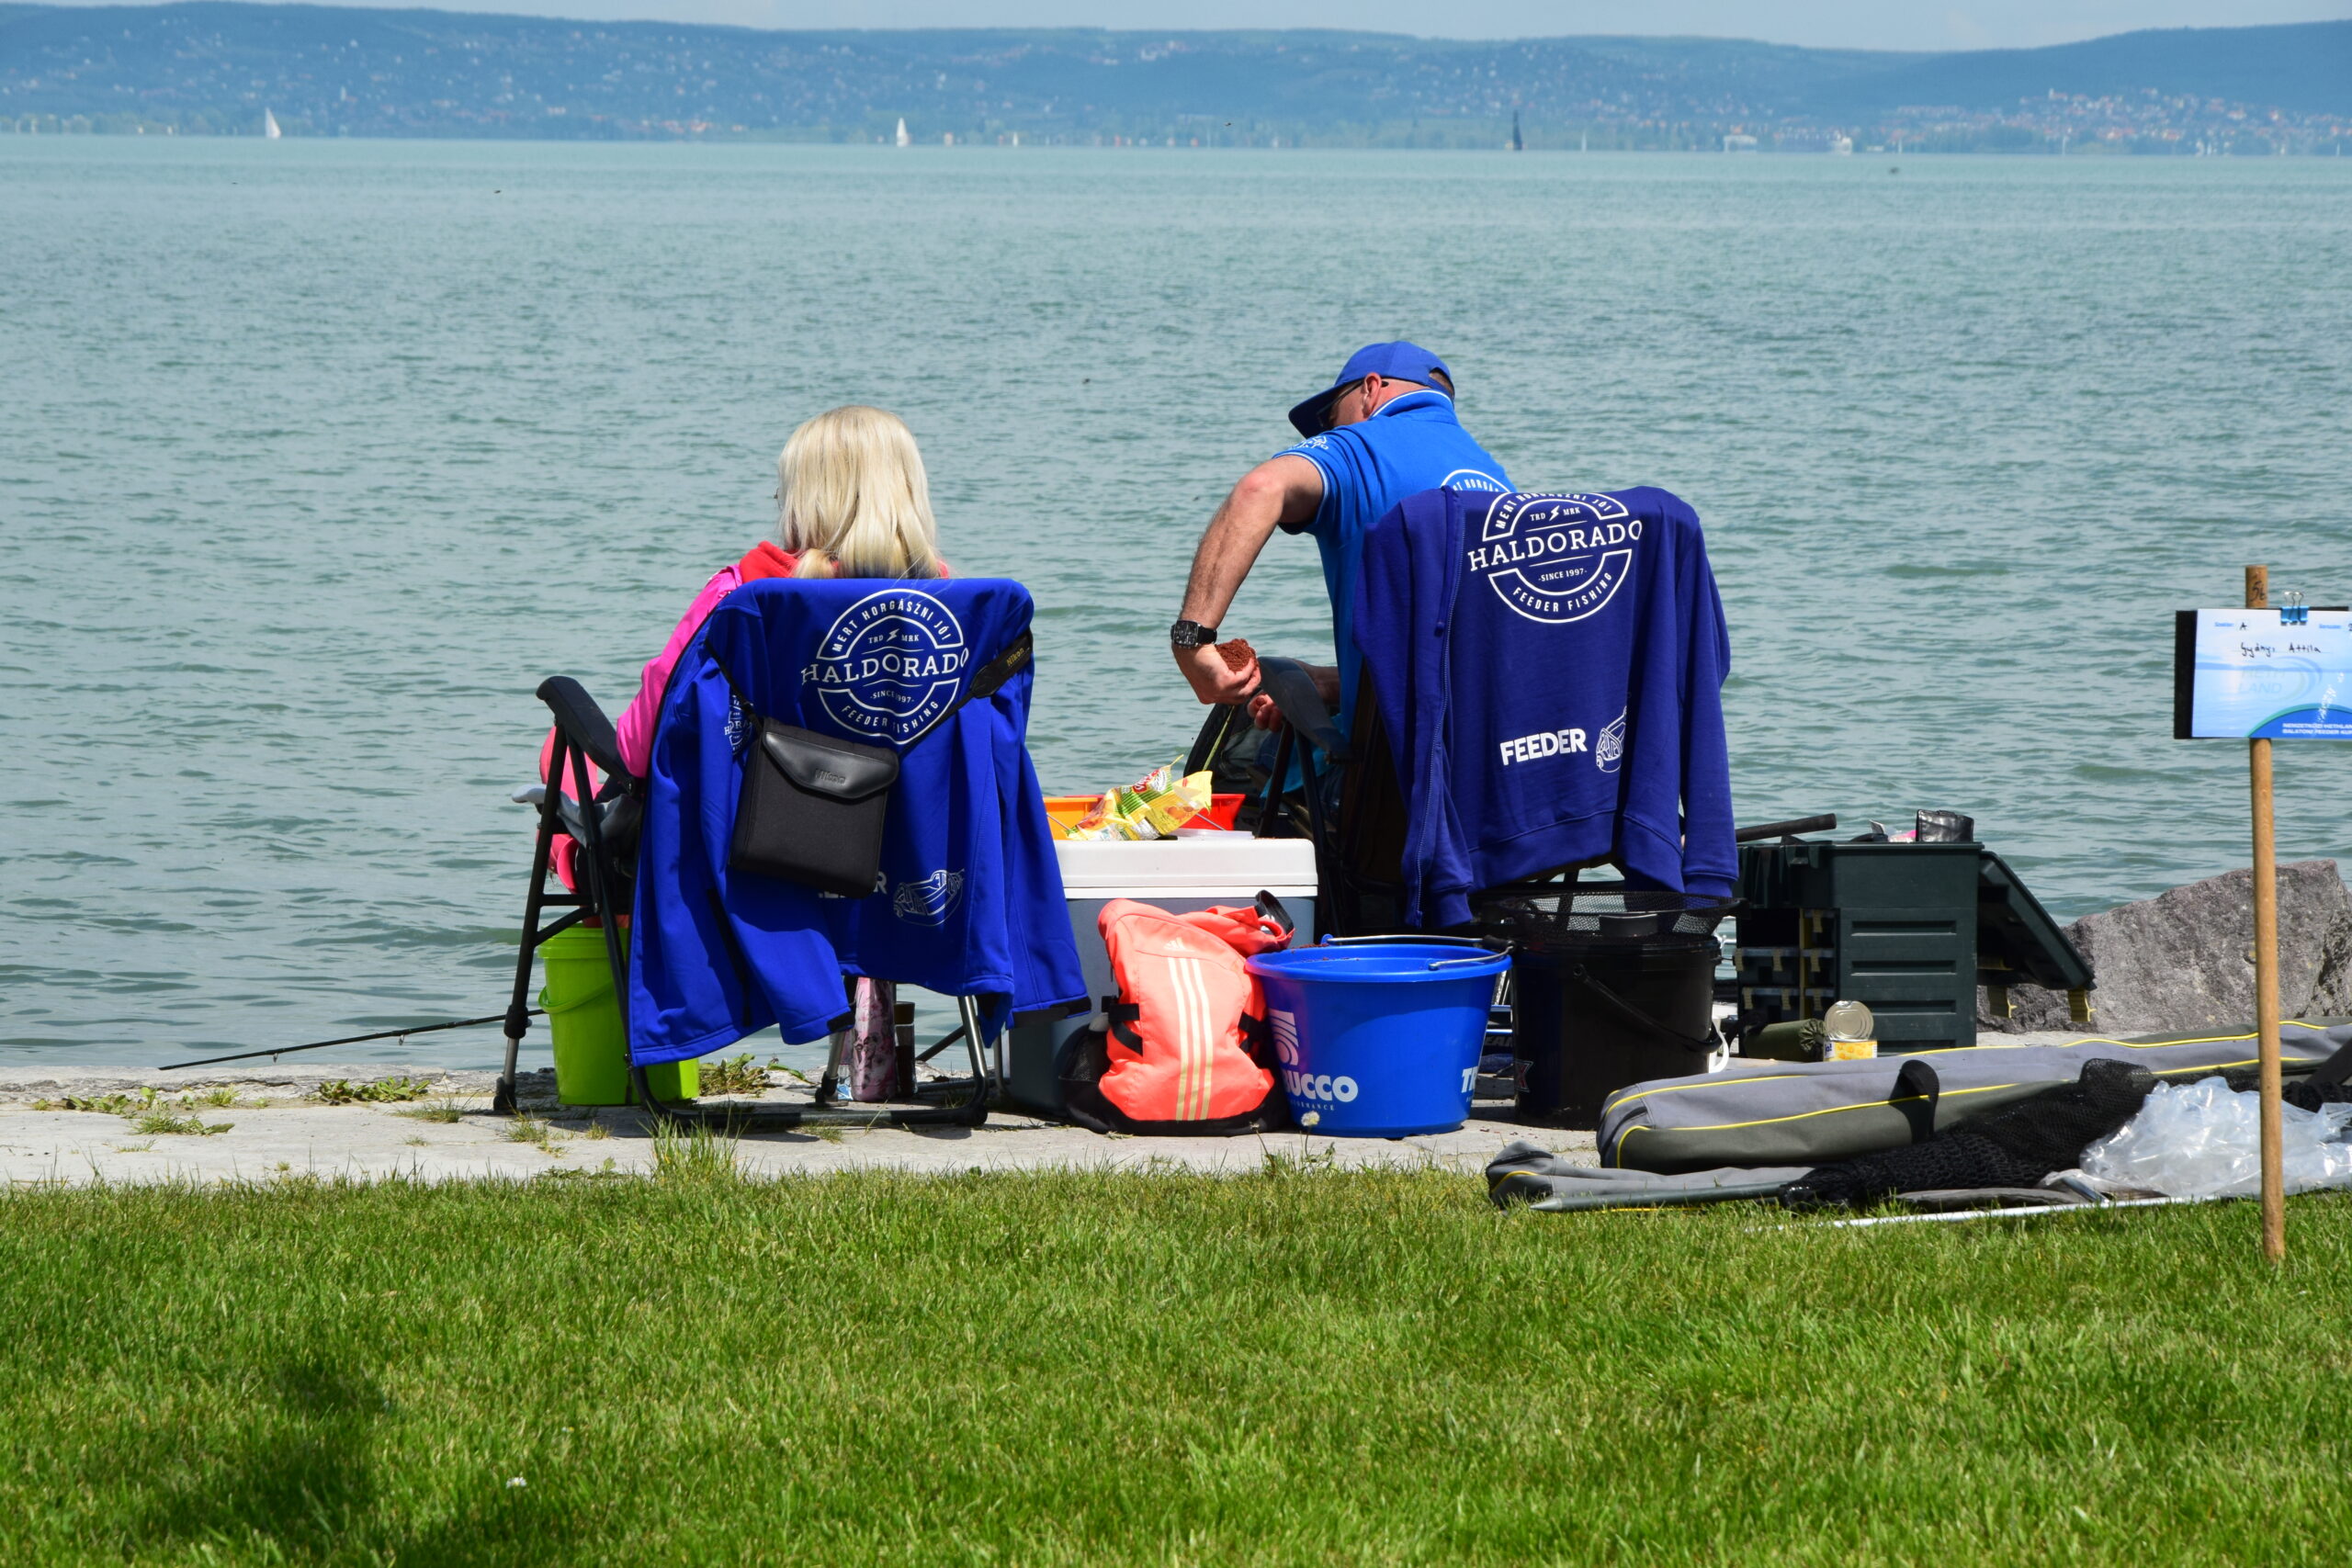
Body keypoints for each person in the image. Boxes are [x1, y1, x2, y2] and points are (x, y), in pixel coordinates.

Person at [544, 404, 945, 1100]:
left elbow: (637, 749)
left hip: (754, 859)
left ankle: (582, 868)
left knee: (567, 754)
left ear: (808, 499)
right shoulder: (954, 609)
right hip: (905, 855)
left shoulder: (742, 594)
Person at [1169, 342, 1511, 736]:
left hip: (1395, 761)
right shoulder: (1498, 479)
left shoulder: (1357, 447)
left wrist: (1192, 643)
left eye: (1332, 416)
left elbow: (1260, 489)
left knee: (1248, 743)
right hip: (1493, 745)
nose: (1331, 430)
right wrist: (1328, 683)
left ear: (1370, 389)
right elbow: (1447, 657)